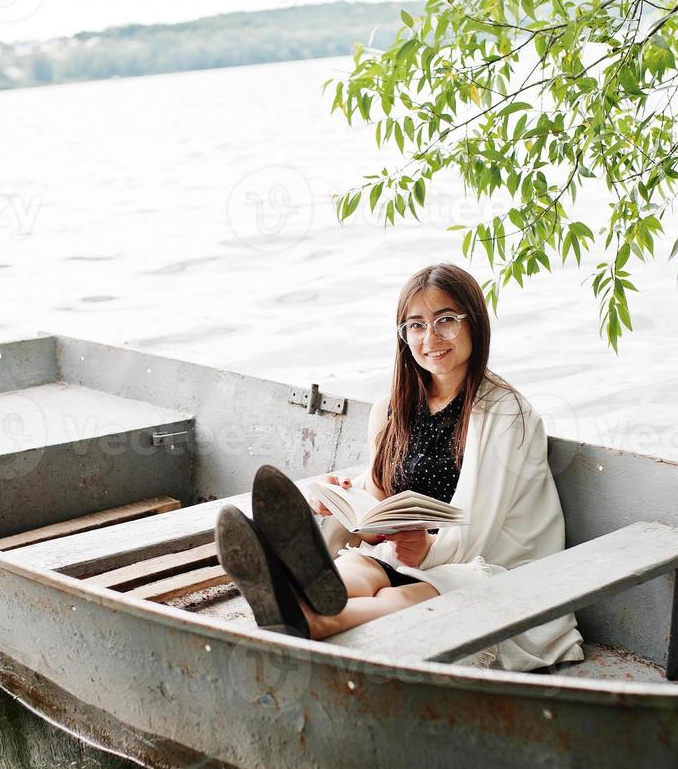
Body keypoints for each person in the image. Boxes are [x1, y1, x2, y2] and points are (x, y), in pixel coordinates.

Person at [216, 263, 585, 673]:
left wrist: (427, 547)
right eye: (416, 325)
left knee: (399, 598)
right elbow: (378, 507)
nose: (431, 338)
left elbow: (483, 528)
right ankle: (294, 589)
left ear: (474, 324)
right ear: (403, 334)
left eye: (446, 320)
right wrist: (343, 503)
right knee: (355, 570)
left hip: (487, 565)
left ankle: (310, 618)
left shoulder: (507, 415)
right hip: (402, 553)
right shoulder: (391, 409)